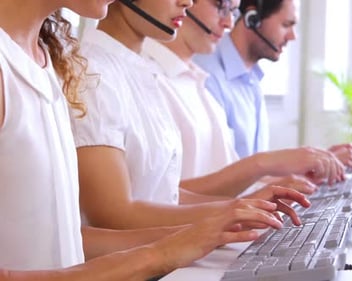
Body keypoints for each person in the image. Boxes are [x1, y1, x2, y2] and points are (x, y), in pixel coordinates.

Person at [0, 0, 301, 280]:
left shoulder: (46, 59)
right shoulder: (60, 67)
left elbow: (65, 238)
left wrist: (209, 228)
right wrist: (162, 252)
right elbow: (110, 214)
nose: (189, 2)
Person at [69, 0, 326, 231]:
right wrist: (228, 211)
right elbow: (112, 215)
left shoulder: (140, 70)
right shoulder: (92, 72)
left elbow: (164, 195)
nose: (187, 3)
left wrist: (247, 204)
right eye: (220, 6)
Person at [141, 0, 345, 198]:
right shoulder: (157, 79)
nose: (229, 23)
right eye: (221, 6)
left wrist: (293, 177)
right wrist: (265, 166)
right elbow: (161, 197)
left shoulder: (196, 79)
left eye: (233, 10)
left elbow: (228, 179)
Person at [193, 0, 352, 168]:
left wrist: (317, 161)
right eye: (286, 24)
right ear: (253, 18)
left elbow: (251, 174)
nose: (292, 36)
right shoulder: (205, 76)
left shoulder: (251, 79)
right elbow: (222, 179)